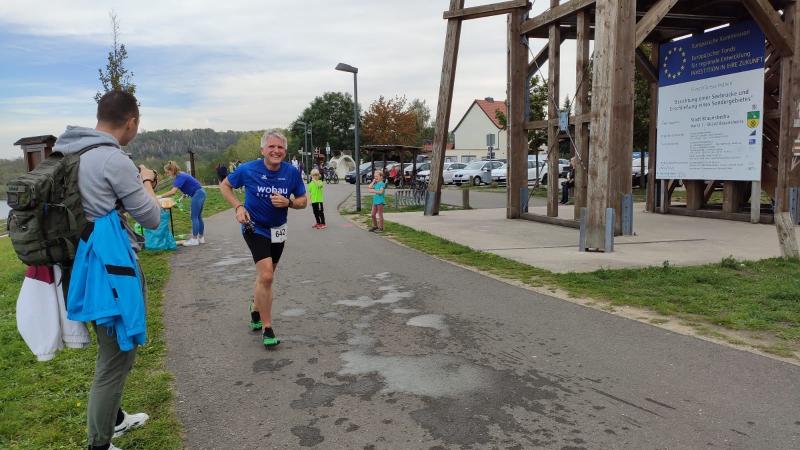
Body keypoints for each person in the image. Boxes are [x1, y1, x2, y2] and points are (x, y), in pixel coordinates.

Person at [54, 90, 160, 450]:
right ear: (131, 122)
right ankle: (98, 444)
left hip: (80, 264)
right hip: (108, 269)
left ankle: (115, 419)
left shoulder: (70, 151)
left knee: (111, 348)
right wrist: (147, 181)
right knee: (115, 358)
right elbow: (152, 217)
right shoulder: (112, 159)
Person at [219, 130, 307, 349]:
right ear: (263, 150)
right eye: (271, 147)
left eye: (280, 147)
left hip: (278, 230)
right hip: (254, 227)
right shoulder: (248, 169)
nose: (276, 151)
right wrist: (238, 207)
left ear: (285, 151)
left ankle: (256, 306)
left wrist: (289, 203)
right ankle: (268, 328)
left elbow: (303, 201)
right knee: (267, 275)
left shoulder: (291, 172)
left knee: (266, 277)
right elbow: (224, 185)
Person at [159, 161, 206, 246]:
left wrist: (160, 196)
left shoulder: (179, 177)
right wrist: (182, 198)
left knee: (194, 217)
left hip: (197, 194)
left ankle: (194, 239)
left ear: (172, 170)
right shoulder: (182, 174)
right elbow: (189, 186)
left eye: (167, 172)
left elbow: (173, 192)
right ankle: (201, 238)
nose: (167, 174)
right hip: (201, 193)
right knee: (198, 217)